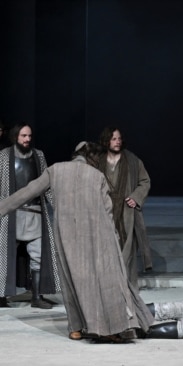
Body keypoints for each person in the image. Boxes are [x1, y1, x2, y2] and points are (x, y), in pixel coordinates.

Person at [0, 141, 153, 341]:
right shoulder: (97, 176)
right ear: (93, 159)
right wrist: (115, 240)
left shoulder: (56, 170)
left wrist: (2, 208)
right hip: (99, 236)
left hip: (67, 236)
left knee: (71, 281)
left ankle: (76, 328)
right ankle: (106, 325)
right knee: (101, 281)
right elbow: (107, 212)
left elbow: (28, 191)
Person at [0, 123, 57, 309]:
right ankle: (1, 295)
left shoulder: (38, 156)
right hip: (11, 214)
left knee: (38, 255)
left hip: (34, 213)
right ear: (15, 136)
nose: (27, 139)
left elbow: (46, 184)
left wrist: (57, 205)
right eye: (23, 136)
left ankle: (37, 296)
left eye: (29, 136)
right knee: (3, 255)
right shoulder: (3, 157)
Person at [98, 126, 152, 289]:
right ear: (106, 140)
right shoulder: (98, 161)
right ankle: (109, 286)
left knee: (127, 249)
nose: (117, 142)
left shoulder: (132, 161)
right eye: (113, 139)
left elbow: (145, 181)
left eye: (119, 139)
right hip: (105, 210)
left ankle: (129, 287)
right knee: (105, 247)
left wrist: (136, 197)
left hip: (126, 212)